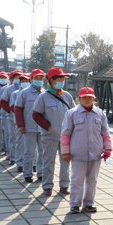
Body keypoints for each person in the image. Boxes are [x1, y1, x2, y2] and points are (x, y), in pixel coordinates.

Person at [61, 86, 112, 214]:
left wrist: (108, 149)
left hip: (96, 153)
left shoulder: (100, 113)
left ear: (94, 99)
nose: (87, 99)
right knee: (77, 180)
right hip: (78, 154)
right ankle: (74, 204)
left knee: (92, 180)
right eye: (84, 97)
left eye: (90, 97)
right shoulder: (71, 113)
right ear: (79, 99)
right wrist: (65, 152)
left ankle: (89, 203)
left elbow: (105, 132)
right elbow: (65, 134)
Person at [33, 67, 75, 197]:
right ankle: (47, 186)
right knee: (48, 162)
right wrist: (47, 126)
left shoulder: (67, 96)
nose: (62, 82)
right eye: (59, 79)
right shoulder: (43, 97)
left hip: (65, 137)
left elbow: (74, 113)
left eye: (63, 79)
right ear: (51, 80)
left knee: (65, 162)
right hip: (49, 136)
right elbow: (36, 115)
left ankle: (64, 186)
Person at [15, 68, 45, 183]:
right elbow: (18, 109)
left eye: (41, 78)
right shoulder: (24, 93)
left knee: (42, 152)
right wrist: (20, 125)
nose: (39, 80)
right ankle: (27, 174)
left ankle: (41, 173)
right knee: (29, 152)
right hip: (29, 127)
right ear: (31, 79)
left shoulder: (45, 93)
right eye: (36, 78)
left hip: (43, 128)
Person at [0, 70, 23, 165]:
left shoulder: (26, 89)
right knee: (12, 137)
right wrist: (10, 111)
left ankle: (21, 158)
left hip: (22, 118)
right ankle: (12, 157)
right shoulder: (8, 89)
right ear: (12, 79)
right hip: (11, 117)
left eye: (20, 78)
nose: (18, 79)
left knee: (21, 140)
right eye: (16, 78)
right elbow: (3, 102)